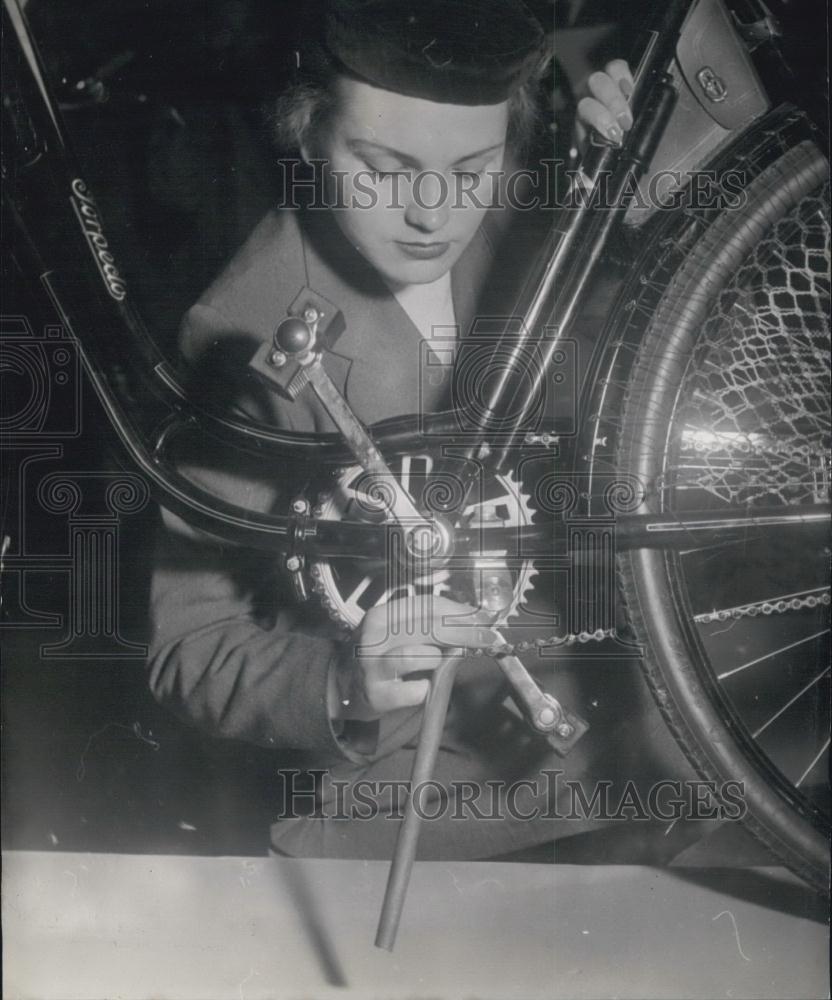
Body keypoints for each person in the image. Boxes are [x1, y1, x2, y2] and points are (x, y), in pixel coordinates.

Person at [148, 0, 640, 860]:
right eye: (384, 168)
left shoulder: (536, 226)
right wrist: (345, 683)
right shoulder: (243, 331)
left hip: (624, 710)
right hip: (424, 782)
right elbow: (192, 650)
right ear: (307, 138)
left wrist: (653, 200)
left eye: (473, 169)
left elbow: (629, 380)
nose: (434, 214)